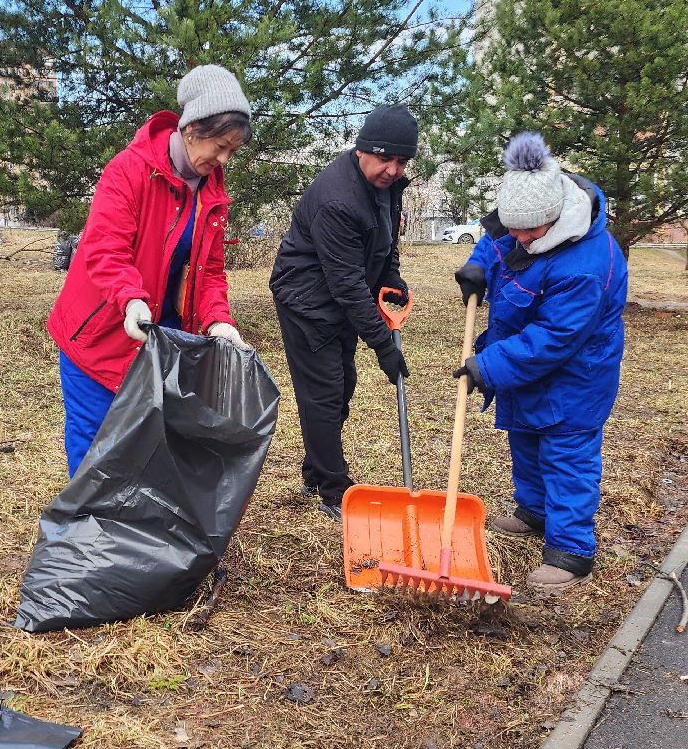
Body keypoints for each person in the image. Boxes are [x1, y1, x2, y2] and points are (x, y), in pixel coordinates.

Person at [47, 65, 253, 476]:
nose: (224, 159)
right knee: (95, 449)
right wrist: (130, 299)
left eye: (233, 149)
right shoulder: (129, 170)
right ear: (193, 127)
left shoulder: (212, 193)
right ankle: (87, 536)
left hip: (161, 342)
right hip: (100, 333)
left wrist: (218, 321)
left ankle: (133, 536)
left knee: (146, 451)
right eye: (220, 144)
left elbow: (210, 271)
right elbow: (105, 248)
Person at [453, 131, 628, 594]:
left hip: (575, 377)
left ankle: (571, 550)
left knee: (566, 455)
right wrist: (477, 266)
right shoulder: (522, 217)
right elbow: (496, 240)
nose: (519, 239)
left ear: (555, 220)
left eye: (529, 232)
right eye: (515, 229)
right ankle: (533, 511)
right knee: (526, 438)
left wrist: (486, 366)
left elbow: (555, 338)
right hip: (527, 369)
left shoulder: (587, 264)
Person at [269, 104, 416, 521]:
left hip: (337, 298)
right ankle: (334, 487)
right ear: (362, 150)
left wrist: (392, 276)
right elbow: (348, 286)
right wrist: (385, 346)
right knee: (324, 393)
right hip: (307, 302)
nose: (392, 169)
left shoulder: (388, 186)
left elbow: (385, 241)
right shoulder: (338, 199)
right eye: (385, 157)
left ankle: (317, 470)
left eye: (401, 161)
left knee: (343, 384)